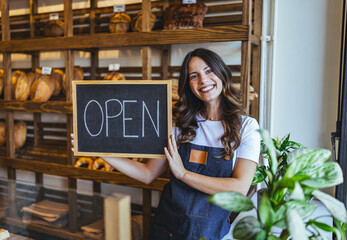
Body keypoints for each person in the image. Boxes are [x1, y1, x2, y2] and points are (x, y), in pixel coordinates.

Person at [72, 48, 260, 240]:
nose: (203, 80)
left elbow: (239, 189)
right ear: (188, 85)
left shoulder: (246, 127)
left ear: (222, 73)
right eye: (194, 76)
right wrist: (97, 149)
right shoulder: (181, 126)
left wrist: (183, 174)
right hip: (167, 229)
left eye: (209, 70)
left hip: (209, 234)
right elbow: (147, 174)